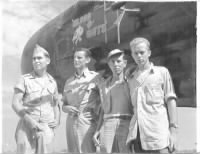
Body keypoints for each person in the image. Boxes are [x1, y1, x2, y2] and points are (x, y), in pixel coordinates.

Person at [126, 37, 178, 153]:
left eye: (142, 52)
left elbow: (171, 101)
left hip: (158, 136)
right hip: (138, 136)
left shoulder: (161, 72)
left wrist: (173, 131)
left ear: (149, 53)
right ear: (132, 55)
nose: (139, 56)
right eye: (136, 53)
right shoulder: (130, 78)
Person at [12, 44, 60, 154]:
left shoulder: (52, 82)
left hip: (46, 129)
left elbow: (56, 104)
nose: (36, 61)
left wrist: (57, 120)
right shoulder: (24, 79)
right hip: (27, 127)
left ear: (47, 61)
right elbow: (15, 103)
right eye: (34, 59)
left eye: (39, 58)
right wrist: (31, 122)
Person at [93, 49, 133, 153]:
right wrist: (97, 130)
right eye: (112, 62)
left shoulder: (131, 83)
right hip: (107, 125)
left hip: (126, 123)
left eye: (118, 61)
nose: (115, 64)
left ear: (125, 63)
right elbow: (103, 110)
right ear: (109, 65)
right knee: (105, 151)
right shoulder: (104, 85)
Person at [62, 48, 101, 153]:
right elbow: (63, 104)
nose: (76, 60)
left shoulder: (96, 78)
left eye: (79, 57)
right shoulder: (69, 82)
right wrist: (66, 108)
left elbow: (104, 102)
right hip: (70, 124)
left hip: (87, 123)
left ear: (87, 60)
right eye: (74, 58)